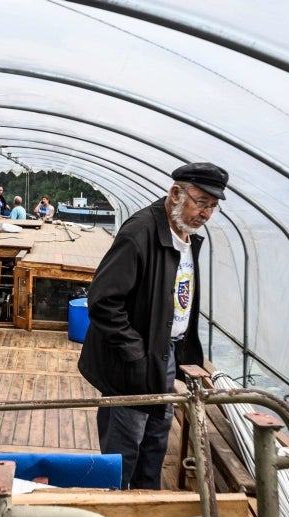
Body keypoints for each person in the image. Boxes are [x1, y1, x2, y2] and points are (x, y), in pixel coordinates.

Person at [77, 162, 228, 491]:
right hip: (133, 361)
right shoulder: (140, 233)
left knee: (156, 439)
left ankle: (146, 509)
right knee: (124, 445)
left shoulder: (184, 236)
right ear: (176, 193)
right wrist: (136, 354)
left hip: (165, 354)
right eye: (201, 202)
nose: (206, 213)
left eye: (213, 206)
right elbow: (103, 301)